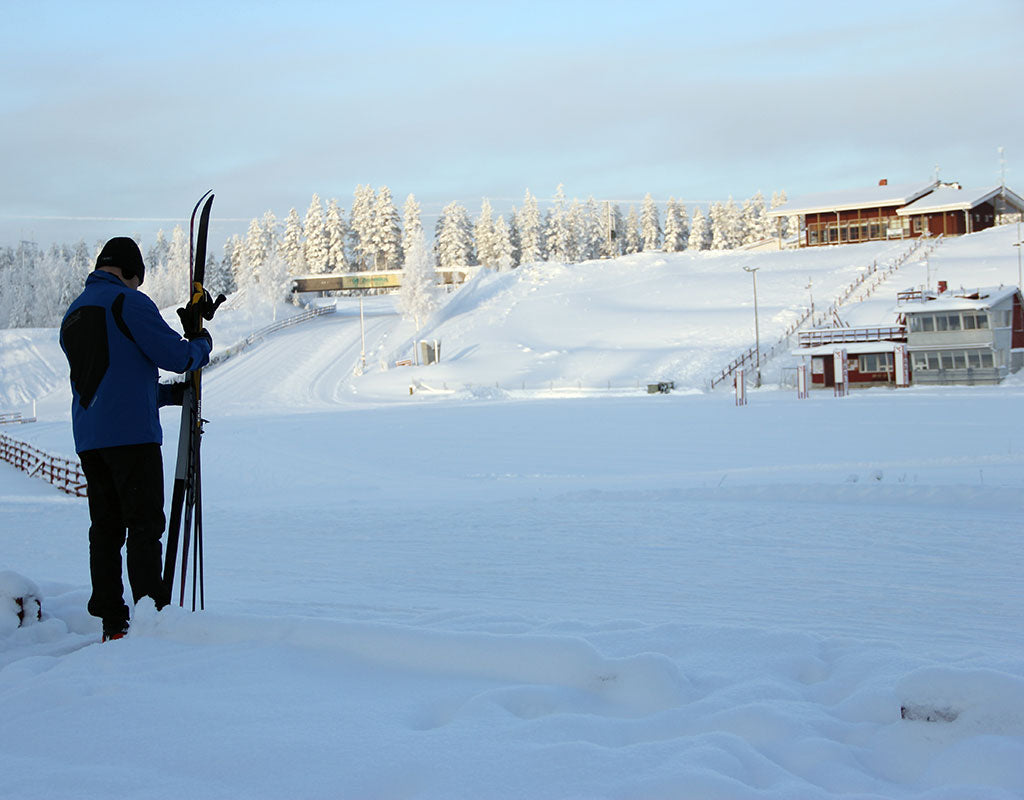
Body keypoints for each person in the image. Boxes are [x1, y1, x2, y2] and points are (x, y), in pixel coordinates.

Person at [59, 237, 213, 641]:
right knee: (144, 527)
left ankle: (113, 621)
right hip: (133, 439)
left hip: (90, 439)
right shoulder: (128, 302)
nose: (138, 287)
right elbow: (176, 357)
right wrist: (201, 345)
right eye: (137, 280)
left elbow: (108, 379)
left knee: (106, 528)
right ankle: (151, 613)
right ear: (130, 271)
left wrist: (165, 395)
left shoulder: (73, 314)